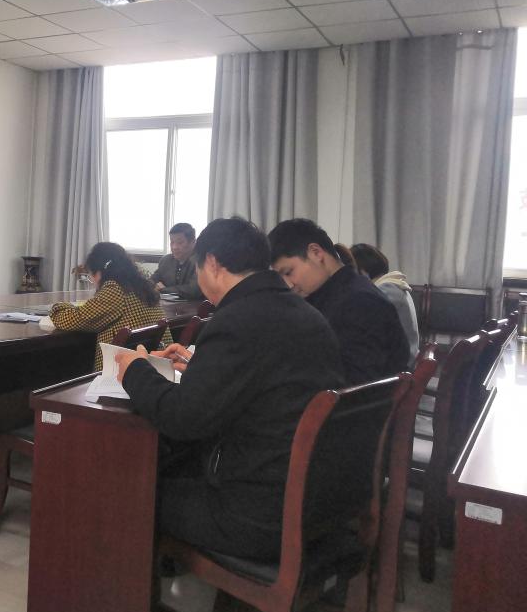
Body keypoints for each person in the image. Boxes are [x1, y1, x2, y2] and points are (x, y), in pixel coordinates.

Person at [114, 217, 346, 560]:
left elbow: (182, 419)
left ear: (211, 263)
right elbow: (266, 380)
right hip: (318, 500)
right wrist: (203, 368)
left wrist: (135, 369)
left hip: (258, 515)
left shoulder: (238, 320)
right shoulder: (305, 313)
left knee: (124, 487)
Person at [268, 218, 408, 385]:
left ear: (316, 253)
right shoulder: (332, 294)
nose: (288, 284)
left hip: (360, 399)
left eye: (288, 272)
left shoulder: (360, 301)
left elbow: (358, 382)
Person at [49, 241, 166, 370]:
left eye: (91, 275)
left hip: (122, 372)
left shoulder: (114, 289)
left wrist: (56, 307)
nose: (93, 281)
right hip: (154, 368)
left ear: (100, 272)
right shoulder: (145, 286)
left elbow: (74, 319)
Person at [350, 242, 420, 367]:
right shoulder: (393, 285)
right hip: (404, 359)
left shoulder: (386, 290)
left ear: (363, 272)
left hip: (399, 366)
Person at [151, 223, 203, 299]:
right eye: (172, 242)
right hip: (166, 305)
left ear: (193, 242)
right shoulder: (166, 261)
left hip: (194, 305)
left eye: (180, 242)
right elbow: (153, 280)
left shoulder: (201, 262)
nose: (174, 247)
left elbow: (193, 290)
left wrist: (164, 290)